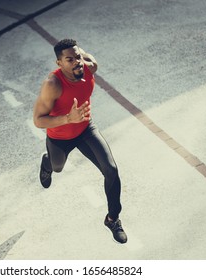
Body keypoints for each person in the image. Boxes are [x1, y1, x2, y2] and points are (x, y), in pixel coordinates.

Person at [33, 39, 127, 244]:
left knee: (111, 169)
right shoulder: (53, 85)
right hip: (59, 137)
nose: (77, 62)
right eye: (69, 59)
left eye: (77, 57)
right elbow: (38, 120)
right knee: (57, 168)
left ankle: (113, 219)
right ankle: (47, 163)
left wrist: (80, 54)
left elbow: (88, 59)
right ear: (59, 63)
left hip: (85, 129)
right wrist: (67, 119)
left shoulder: (88, 67)